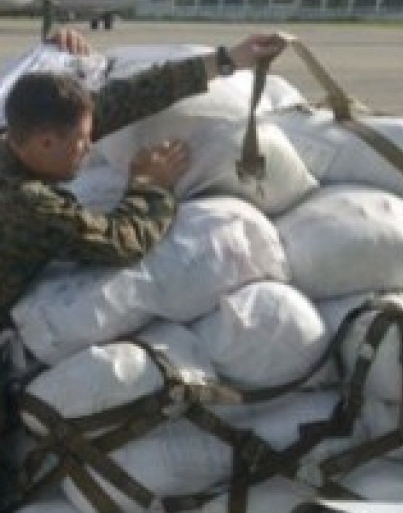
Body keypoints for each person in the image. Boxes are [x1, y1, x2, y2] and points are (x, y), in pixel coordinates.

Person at [0, 29, 288, 319]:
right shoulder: (27, 203)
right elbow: (119, 242)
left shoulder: (19, 136)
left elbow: (131, 97)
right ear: (46, 141)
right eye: (82, 141)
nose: (89, 149)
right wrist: (151, 186)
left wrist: (228, 60)